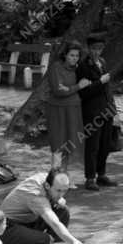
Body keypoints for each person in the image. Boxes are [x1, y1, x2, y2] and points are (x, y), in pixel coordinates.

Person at [0, 169, 85, 244]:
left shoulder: (47, 178)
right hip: (6, 228)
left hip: (26, 220)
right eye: (58, 191)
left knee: (63, 211)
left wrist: (58, 199)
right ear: (48, 186)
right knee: (45, 240)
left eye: (64, 191)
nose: (61, 194)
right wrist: (73, 241)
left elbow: (60, 200)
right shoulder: (36, 196)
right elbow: (55, 223)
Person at [77, 33, 118, 191]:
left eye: (100, 49)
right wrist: (99, 82)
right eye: (94, 49)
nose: (97, 52)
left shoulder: (102, 62)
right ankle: (90, 178)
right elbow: (83, 92)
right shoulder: (83, 65)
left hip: (107, 110)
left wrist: (113, 109)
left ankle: (101, 174)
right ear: (88, 48)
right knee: (92, 146)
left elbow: (108, 89)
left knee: (105, 144)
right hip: (92, 111)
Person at [42, 40, 90, 171]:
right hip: (57, 110)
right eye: (71, 55)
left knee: (70, 142)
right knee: (58, 143)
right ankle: (55, 177)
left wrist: (68, 88)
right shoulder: (56, 67)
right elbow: (58, 90)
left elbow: (69, 88)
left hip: (73, 109)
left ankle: (64, 175)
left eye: (77, 56)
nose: (74, 58)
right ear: (65, 55)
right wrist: (77, 86)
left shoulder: (78, 69)